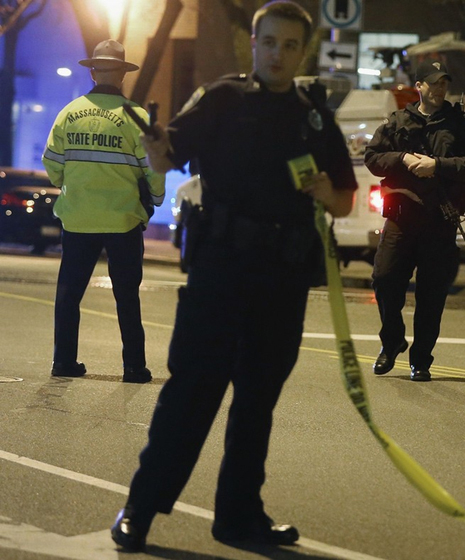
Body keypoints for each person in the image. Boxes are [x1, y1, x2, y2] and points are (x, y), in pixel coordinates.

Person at [109, 0, 357, 551]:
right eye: (269, 42)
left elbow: (345, 199)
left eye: (290, 45)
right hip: (220, 273)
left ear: (303, 52)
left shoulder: (314, 115)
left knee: (257, 404)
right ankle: (140, 509)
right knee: (190, 394)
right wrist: (155, 148)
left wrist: (327, 193)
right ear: (254, 44)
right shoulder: (223, 99)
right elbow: (167, 157)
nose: (278, 54)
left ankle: (239, 516)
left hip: (282, 279)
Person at [42, 40, 165, 384]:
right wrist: (154, 199)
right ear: (123, 75)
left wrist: (71, 183)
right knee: (127, 296)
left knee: (69, 293)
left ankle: (63, 361)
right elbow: (154, 170)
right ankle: (134, 367)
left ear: (93, 72)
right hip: (123, 219)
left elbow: (52, 164)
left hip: (78, 218)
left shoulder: (68, 113)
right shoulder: (137, 118)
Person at [364, 59, 465, 382]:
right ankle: (392, 342)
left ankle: (421, 360)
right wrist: (402, 158)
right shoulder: (398, 121)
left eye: (444, 82)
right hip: (401, 218)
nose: (439, 88)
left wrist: (438, 165)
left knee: (431, 295)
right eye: (433, 82)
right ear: (419, 86)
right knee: (384, 279)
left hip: (439, 221)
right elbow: (372, 158)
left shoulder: (460, 123)